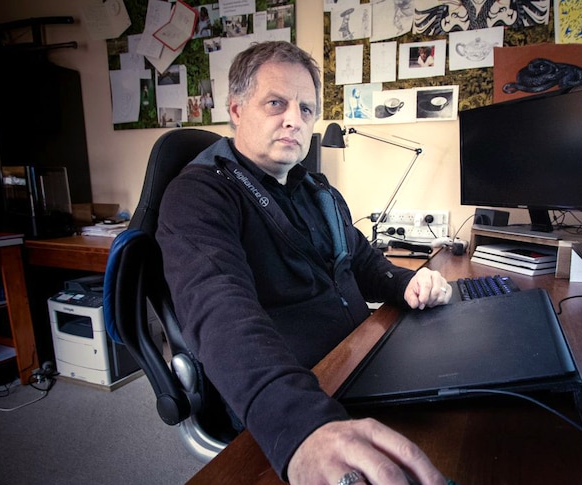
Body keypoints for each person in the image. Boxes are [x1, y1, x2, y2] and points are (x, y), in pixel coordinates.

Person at [156, 41, 451, 485]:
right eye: (276, 103)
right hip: (296, 396)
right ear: (236, 110)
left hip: (357, 360)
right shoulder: (199, 197)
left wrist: (407, 283)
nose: (295, 118)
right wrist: (303, 426)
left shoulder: (317, 191)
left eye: (307, 108)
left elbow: (362, 263)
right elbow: (221, 314)